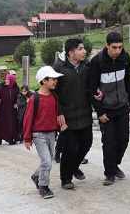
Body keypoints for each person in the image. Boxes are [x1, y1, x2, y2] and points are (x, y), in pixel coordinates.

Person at [88, 31, 130, 186]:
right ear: (106, 45)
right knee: (109, 142)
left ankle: (115, 165)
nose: (117, 51)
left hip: (122, 106)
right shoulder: (97, 62)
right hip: (106, 109)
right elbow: (91, 88)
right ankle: (109, 173)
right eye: (114, 47)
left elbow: (128, 80)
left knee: (124, 140)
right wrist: (99, 112)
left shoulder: (125, 58)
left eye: (120, 47)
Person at [53, 38, 93, 190]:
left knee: (86, 143)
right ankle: (66, 179)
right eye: (81, 49)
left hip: (84, 113)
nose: (84, 51)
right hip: (66, 116)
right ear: (71, 53)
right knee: (70, 147)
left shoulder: (86, 66)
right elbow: (53, 93)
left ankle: (75, 166)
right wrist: (59, 112)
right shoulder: (58, 68)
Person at [23, 66, 64, 199]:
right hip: (38, 135)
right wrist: (27, 138)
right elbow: (28, 119)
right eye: (53, 79)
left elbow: (54, 115)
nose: (55, 81)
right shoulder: (34, 98)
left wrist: (59, 126)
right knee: (46, 161)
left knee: (49, 159)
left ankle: (36, 175)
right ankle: (43, 187)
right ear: (44, 80)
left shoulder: (54, 96)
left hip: (51, 133)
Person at [0, 74, 21, 145]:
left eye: (8, 79)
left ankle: (11, 138)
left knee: (12, 124)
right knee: (2, 124)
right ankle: (0, 138)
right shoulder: (2, 88)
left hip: (13, 110)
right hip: (3, 110)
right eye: (5, 79)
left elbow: (19, 98)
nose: (6, 80)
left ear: (12, 80)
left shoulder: (16, 88)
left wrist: (17, 104)